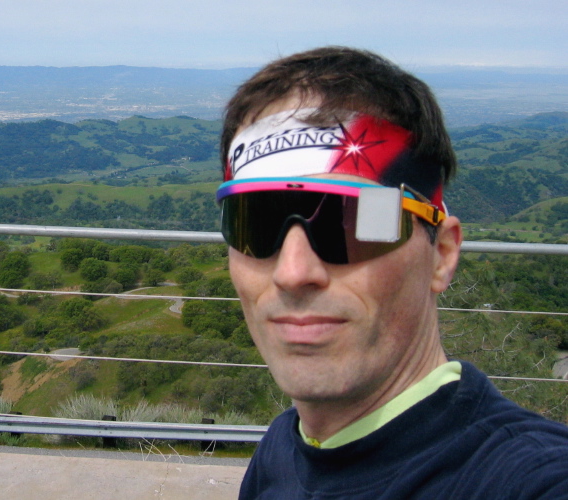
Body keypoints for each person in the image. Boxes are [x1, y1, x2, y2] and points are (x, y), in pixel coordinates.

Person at [218, 46, 568, 499]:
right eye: (255, 224)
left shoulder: (527, 480)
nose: (293, 271)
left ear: (440, 253)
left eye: (355, 221)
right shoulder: (282, 451)